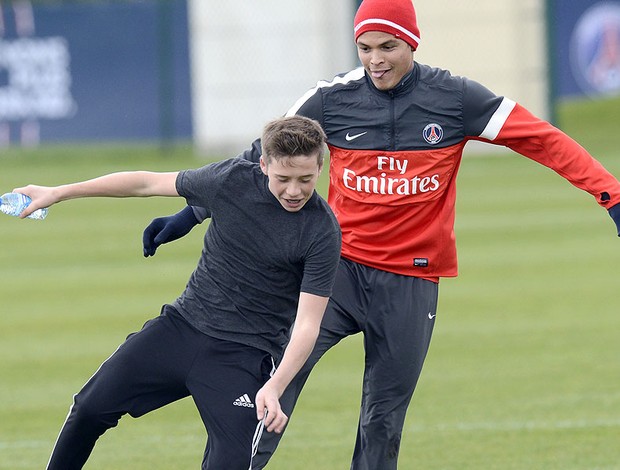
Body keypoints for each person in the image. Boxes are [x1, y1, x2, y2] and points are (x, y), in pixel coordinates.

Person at [142, 0, 620, 468]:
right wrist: (191, 213)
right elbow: (259, 160)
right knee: (273, 387)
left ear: (411, 42)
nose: (374, 60)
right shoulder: (329, 99)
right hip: (335, 273)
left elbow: (544, 140)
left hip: (411, 283)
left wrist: (610, 195)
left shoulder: (456, 99)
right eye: (365, 47)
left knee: (382, 420)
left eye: (387, 46)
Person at [14, 115, 342, 470]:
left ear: (321, 167)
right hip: (181, 328)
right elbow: (145, 183)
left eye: (306, 180)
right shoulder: (231, 180)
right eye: (283, 179)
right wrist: (58, 192)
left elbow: (308, 324)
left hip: (243, 356)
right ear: (263, 165)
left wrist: (275, 386)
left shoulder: (321, 231)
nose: (294, 191)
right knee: (89, 408)